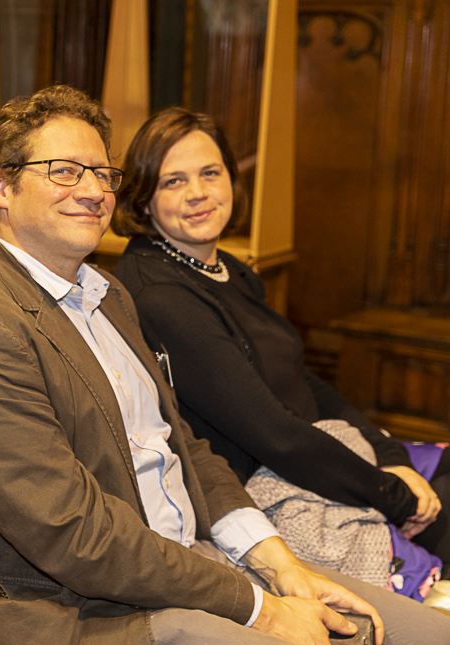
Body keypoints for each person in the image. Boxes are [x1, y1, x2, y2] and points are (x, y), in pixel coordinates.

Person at [0, 85, 450, 645]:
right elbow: (79, 540)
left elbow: (187, 448)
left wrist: (280, 565)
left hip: (182, 565)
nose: (92, 191)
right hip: (79, 618)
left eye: (101, 173)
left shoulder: (104, 294)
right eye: (64, 171)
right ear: (0, 187)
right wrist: (261, 606)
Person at [110, 107, 450, 581]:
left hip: (312, 449)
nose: (198, 193)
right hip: (270, 485)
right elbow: (273, 434)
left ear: (232, 180)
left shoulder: (225, 266)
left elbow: (299, 376)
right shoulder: (161, 295)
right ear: (144, 199)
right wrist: (392, 494)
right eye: (173, 181)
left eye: (210, 173)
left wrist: (391, 457)